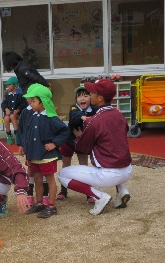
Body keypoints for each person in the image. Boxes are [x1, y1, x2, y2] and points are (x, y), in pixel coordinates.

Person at [57, 79, 132, 216]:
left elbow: (83, 148)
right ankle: (122, 190)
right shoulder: (119, 115)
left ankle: (99, 197)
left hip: (108, 174)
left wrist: (80, 136)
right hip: (127, 171)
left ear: (100, 98)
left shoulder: (94, 120)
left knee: (62, 175)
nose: (89, 95)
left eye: (92, 93)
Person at [20, 84, 70, 218]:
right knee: (37, 178)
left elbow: (65, 131)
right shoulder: (33, 116)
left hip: (47, 156)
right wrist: (27, 151)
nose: (31, 103)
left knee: (49, 179)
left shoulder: (51, 117)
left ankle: (51, 206)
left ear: (43, 102)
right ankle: (40, 203)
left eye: (34, 101)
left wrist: (55, 144)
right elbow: (29, 135)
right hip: (35, 154)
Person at [57, 84, 98, 202]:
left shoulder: (94, 109)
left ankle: (89, 192)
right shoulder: (73, 108)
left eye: (86, 96)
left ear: (91, 97)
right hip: (69, 140)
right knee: (65, 164)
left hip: (83, 141)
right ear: (76, 99)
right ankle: (63, 190)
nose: (83, 99)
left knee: (84, 166)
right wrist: (84, 118)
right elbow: (75, 117)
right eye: (79, 97)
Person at [1, 76, 27, 145]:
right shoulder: (8, 95)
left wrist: (18, 110)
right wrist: (6, 109)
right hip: (9, 114)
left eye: (9, 85)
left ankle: (17, 134)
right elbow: (4, 104)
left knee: (12, 116)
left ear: (15, 86)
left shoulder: (20, 94)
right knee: (6, 118)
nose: (7, 87)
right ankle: (9, 134)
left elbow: (24, 104)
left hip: (18, 114)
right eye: (7, 85)